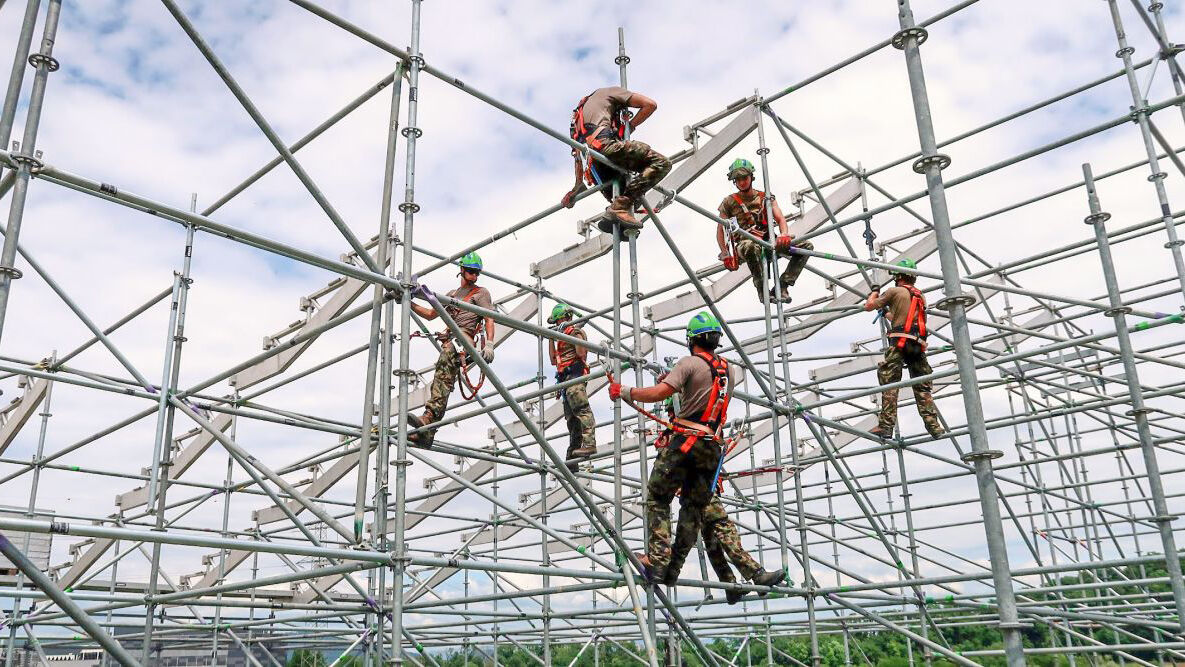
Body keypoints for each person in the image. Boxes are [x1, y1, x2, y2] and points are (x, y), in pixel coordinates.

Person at [608, 312, 736, 585]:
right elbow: (705, 398)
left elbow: (659, 393)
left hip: (686, 443)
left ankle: (657, 561)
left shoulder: (688, 363)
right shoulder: (728, 369)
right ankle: (672, 569)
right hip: (711, 447)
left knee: (657, 497)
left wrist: (625, 391)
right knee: (692, 509)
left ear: (691, 340)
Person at [407, 252, 496, 446]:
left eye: (477, 273)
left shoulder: (481, 293)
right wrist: (408, 302)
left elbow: (489, 318)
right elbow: (431, 314)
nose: (474, 276)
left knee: (444, 373)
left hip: (464, 339)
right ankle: (427, 431)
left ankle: (428, 418)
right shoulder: (452, 295)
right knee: (442, 378)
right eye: (471, 271)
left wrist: (489, 344)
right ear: (462, 270)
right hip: (452, 340)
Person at [561, 86, 672, 232]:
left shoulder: (577, 119)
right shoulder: (610, 92)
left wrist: (577, 186)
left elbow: (577, 155)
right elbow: (650, 105)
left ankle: (620, 225)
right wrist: (630, 126)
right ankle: (619, 209)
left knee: (632, 196)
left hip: (596, 170)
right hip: (606, 148)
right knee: (662, 163)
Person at [862, 259, 945, 439]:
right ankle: (934, 427)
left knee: (890, 383)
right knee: (922, 387)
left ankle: (886, 427)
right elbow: (903, 318)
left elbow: (868, 306)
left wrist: (874, 292)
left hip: (899, 343)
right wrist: (886, 313)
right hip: (917, 344)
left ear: (897, 276)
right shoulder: (920, 295)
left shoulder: (893, 291)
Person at [716, 158, 812, 303]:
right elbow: (720, 229)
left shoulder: (765, 197)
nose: (742, 182)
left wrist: (784, 234)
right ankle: (762, 290)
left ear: (751, 177)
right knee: (750, 246)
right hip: (745, 246)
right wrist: (725, 253)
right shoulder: (729, 202)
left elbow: (780, 218)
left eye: (744, 178)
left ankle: (783, 285)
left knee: (806, 247)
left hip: (768, 242)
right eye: (738, 179)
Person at [702, 495, 785, 603]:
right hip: (701, 490)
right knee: (724, 529)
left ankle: (729, 585)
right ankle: (757, 574)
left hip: (692, 496)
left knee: (712, 542)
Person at [547, 303, 596, 468]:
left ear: (563, 318)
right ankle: (573, 455)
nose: (556, 324)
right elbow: (553, 360)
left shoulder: (575, 332)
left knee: (582, 410)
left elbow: (581, 353)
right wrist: (551, 337)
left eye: (557, 320)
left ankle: (590, 443)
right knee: (572, 419)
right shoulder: (561, 337)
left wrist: (573, 332)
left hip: (575, 376)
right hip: (565, 381)